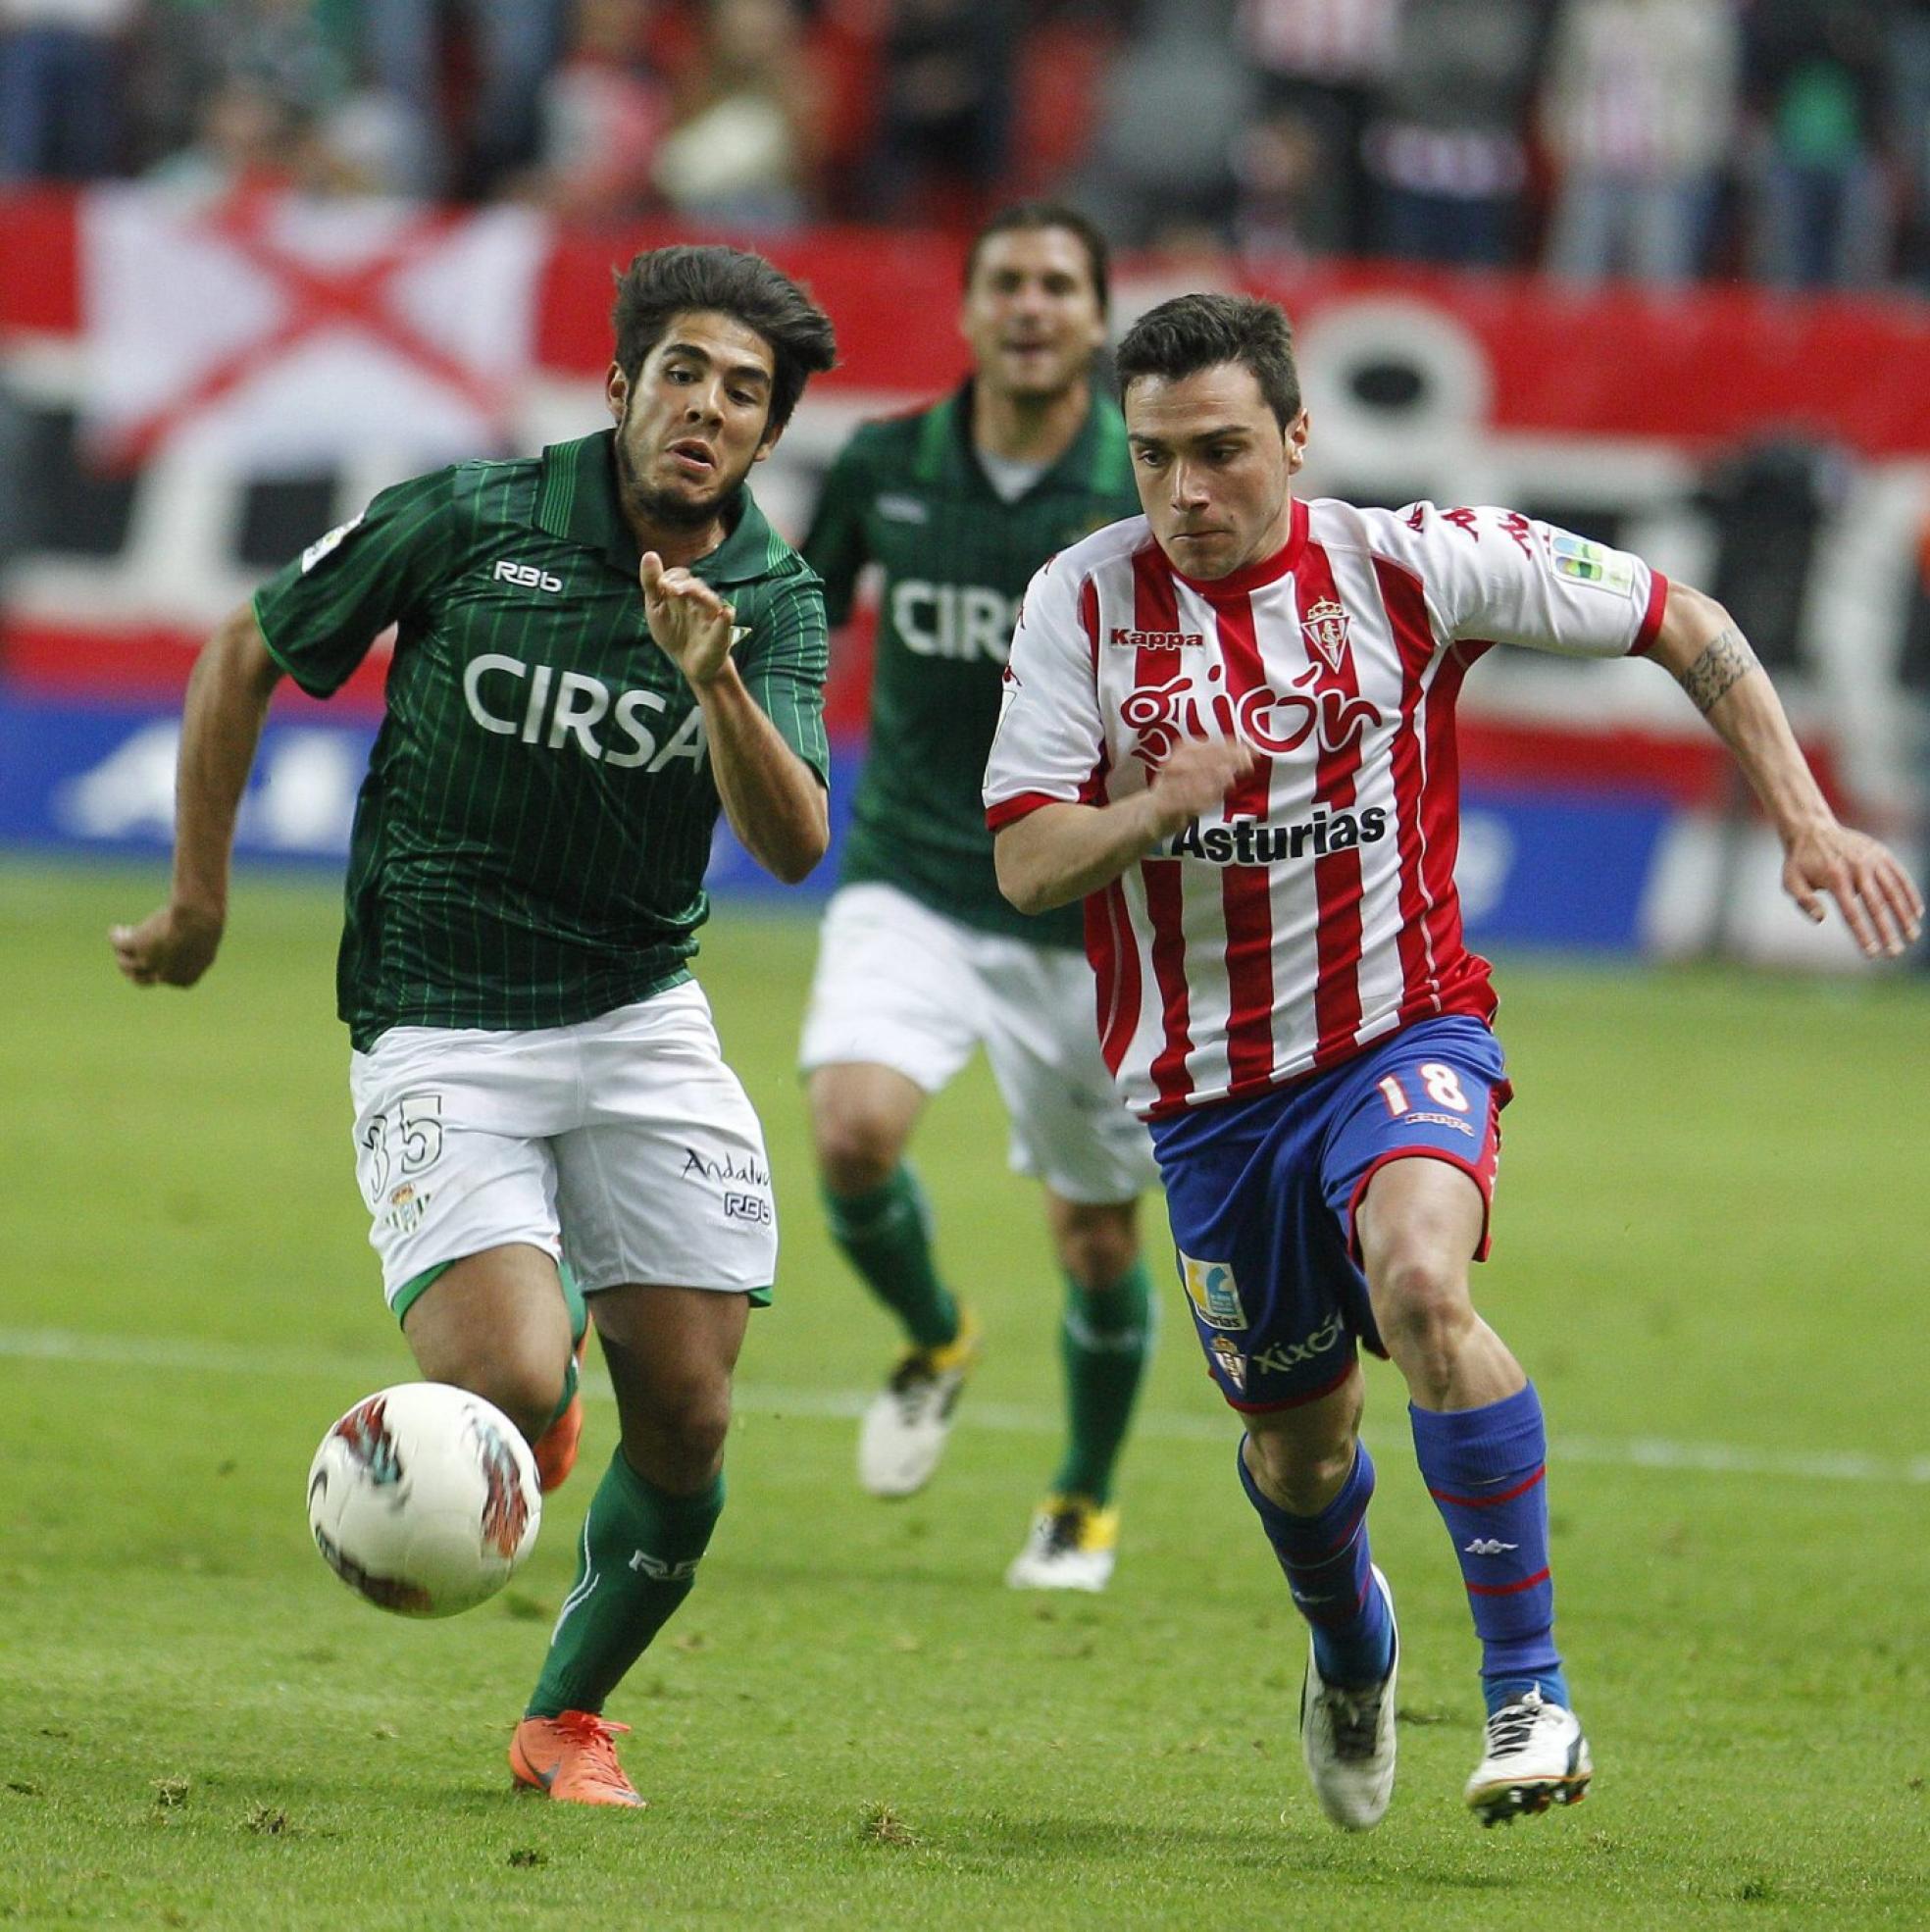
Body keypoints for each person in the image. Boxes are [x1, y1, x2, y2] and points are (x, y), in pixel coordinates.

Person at [984, 291, 1921, 1828]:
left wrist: (1805, 817)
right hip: (1211, 1103)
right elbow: (1026, 865)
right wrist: (1151, 810)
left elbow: (1681, 617)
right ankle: (1352, 1649)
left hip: (1403, 1032)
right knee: (1300, 1454)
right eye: (1153, 458)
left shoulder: (1409, 562)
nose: (1186, 491)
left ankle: (1530, 1694)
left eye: (1220, 450)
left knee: (1425, 1283)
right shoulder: (1077, 605)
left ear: (1299, 435)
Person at [111, 244, 838, 1809]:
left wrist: (715, 682)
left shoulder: (773, 598)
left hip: (640, 1015)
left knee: (692, 1415)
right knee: (507, 1375)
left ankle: (564, 1718)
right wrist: (198, 900)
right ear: (621, 383)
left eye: (744, 393)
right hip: (439, 1012)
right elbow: (245, 647)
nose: (708, 409)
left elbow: (793, 843)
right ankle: (543, 1381)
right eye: (684, 373)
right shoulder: (469, 516)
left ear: (771, 433)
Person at [798, 202, 1158, 1591]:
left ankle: (1083, 1497)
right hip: (912, 868)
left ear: (1096, 316)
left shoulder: (1142, 483)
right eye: (1006, 281)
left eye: (1059, 284)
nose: (1030, 305)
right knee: (852, 1131)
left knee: (1096, 1233)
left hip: (1084, 912)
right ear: (965, 311)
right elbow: (801, 614)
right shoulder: (884, 463)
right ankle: (937, 1333)